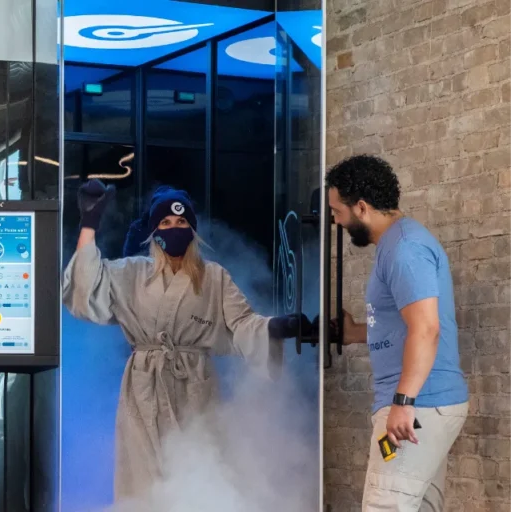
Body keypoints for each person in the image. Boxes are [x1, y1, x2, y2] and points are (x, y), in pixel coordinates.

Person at [62, 180, 312, 502]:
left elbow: (242, 323)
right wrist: (89, 225)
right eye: (165, 223)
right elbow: (86, 288)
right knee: (143, 478)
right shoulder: (132, 273)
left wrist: (276, 327)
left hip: (195, 385)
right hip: (143, 387)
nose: (173, 228)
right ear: (154, 232)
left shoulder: (215, 277)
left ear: (193, 230)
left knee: (201, 467)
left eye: (181, 222)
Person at [326, 155, 469, 511]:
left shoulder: (404, 248)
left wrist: (403, 403)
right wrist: (355, 332)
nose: (334, 219)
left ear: (360, 207)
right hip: (424, 405)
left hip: (419, 407)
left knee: (384, 506)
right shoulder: (395, 245)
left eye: (337, 211)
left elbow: (426, 328)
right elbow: (404, 325)